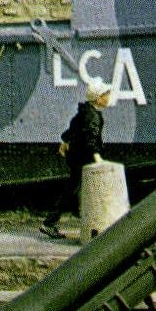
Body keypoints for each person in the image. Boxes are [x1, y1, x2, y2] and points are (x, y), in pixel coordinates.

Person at [39, 78, 110, 239]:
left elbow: (73, 127)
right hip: (84, 159)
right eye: (106, 94)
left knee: (72, 190)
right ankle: (50, 223)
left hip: (77, 158)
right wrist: (98, 159)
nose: (109, 96)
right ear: (98, 98)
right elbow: (90, 140)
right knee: (75, 190)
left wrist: (64, 140)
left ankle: (52, 222)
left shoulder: (85, 112)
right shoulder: (93, 117)